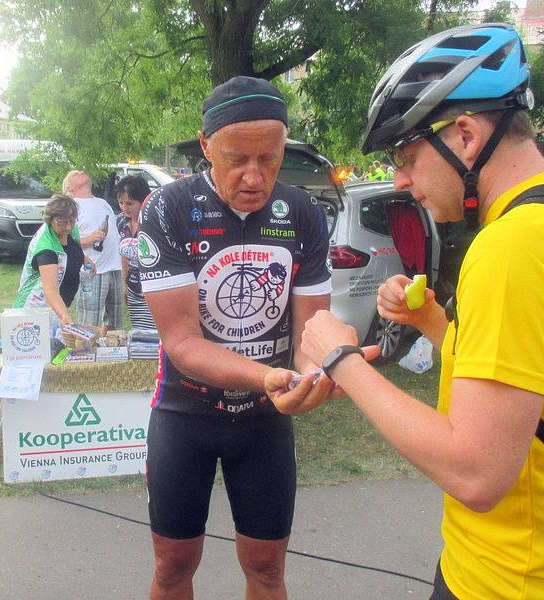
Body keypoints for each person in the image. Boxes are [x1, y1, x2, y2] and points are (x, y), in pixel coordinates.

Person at [301, 23, 544, 598]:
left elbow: (476, 471)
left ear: (466, 136)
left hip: (510, 579)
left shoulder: (512, 248)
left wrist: (340, 359)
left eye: (406, 156)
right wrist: (432, 321)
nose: (401, 182)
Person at [138, 76, 377, 599]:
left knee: (267, 570)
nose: (254, 176)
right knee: (173, 567)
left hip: (265, 422)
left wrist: (325, 370)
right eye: (236, 159)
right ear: (205, 147)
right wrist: (267, 376)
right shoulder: (167, 209)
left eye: (269, 158)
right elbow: (182, 343)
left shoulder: (304, 214)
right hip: (185, 413)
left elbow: (310, 332)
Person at [13, 194, 95, 325]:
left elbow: (71, 249)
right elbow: (50, 290)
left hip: (56, 307)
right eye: (62, 223)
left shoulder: (69, 230)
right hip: (36, 309)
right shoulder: (46, 249)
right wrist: (64, 315)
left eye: (72, 221)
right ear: (50, 220)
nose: (68, 227)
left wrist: (84, 258)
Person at [62, 170, 123, 330]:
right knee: (88, 323)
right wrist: (90, 239)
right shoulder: (71, 207)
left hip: (114, 268)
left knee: (114, 324)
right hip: (91, 270)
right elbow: (63, 242)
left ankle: (111, 352)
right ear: (70, 188)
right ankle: (85, 352)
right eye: (75, 173)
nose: (81, 171)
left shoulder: (102, 202)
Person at [114, 174, 156, 330]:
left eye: (130, 203)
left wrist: (152, 285)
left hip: (153, 287)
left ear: (143, 200)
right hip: (133, 286)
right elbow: (124, 254)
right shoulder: (121, 222)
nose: (125, 208)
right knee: (140, 333)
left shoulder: (154, 222)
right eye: (121, 203)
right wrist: (125, 283)